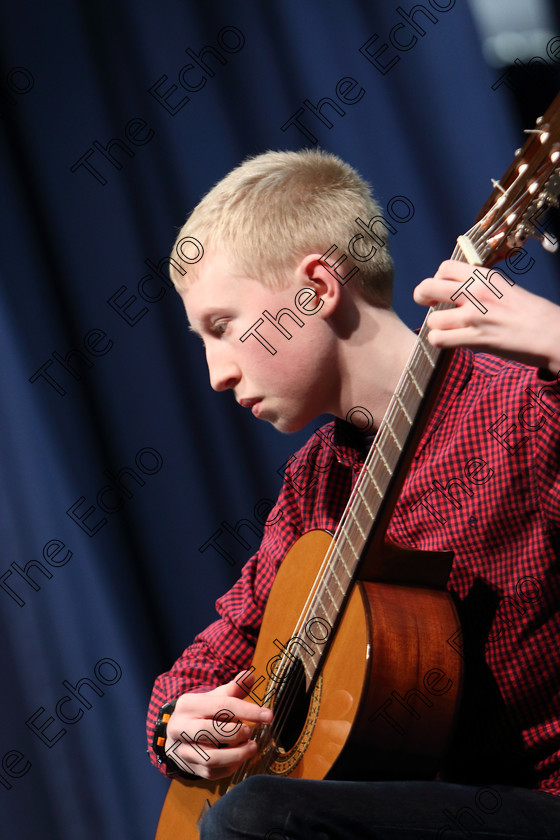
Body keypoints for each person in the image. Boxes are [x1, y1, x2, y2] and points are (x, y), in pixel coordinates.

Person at [147, 149, 560, 838]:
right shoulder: (314, 482)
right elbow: (216, 656)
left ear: (316, 287)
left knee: (255, 820)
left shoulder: (523, 410)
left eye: (222, 327)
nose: (216, 373)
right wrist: (177, 725)